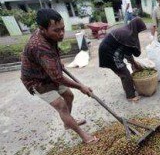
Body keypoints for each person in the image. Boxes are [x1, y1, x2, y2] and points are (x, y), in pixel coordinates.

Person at [20, 9, 98, 144]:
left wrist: (56, 61)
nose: (61, 33)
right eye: (56, 30)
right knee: (61, 105)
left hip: (47, 73)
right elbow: (57, 78)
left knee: (69, 96)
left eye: (63, 28)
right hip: (36, 80)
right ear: (42, 29)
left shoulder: (48, 35)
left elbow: (53, 52)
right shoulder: (39, 47)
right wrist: (80, 86)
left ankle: (68, 122)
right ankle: (83, 136)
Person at [98, 17, 147, 102]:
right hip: (108, 53)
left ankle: (127, 89)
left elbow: (126, 51)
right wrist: (135, 64)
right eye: (139, 30)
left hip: (108, 50)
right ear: (136, 27)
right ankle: (130, 96)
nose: (138, 32)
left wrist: (133, 63)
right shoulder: (127, 34)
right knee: (125, 73)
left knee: (122, 71)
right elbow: (128, 55)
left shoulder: (127, 30)